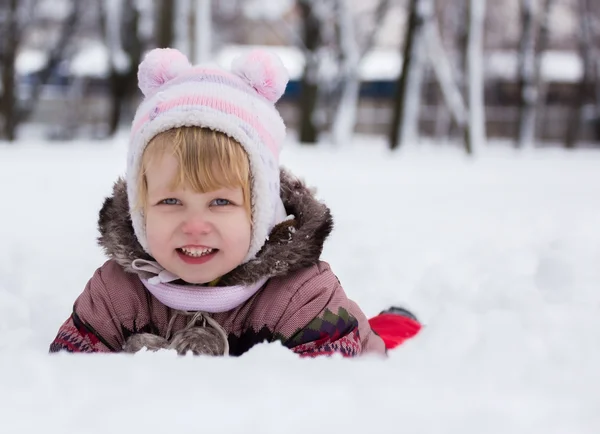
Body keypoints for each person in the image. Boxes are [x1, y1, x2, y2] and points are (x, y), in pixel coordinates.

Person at [49, 48, 419, 357]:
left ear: (259, 211)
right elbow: (70, 368)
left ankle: (398, 321)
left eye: (221, 202)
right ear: (141, 207)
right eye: (171, 200)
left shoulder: (299, 293)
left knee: (380, 335)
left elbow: (331, 383)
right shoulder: (119, 291)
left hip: (337, 343)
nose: (194, 225)